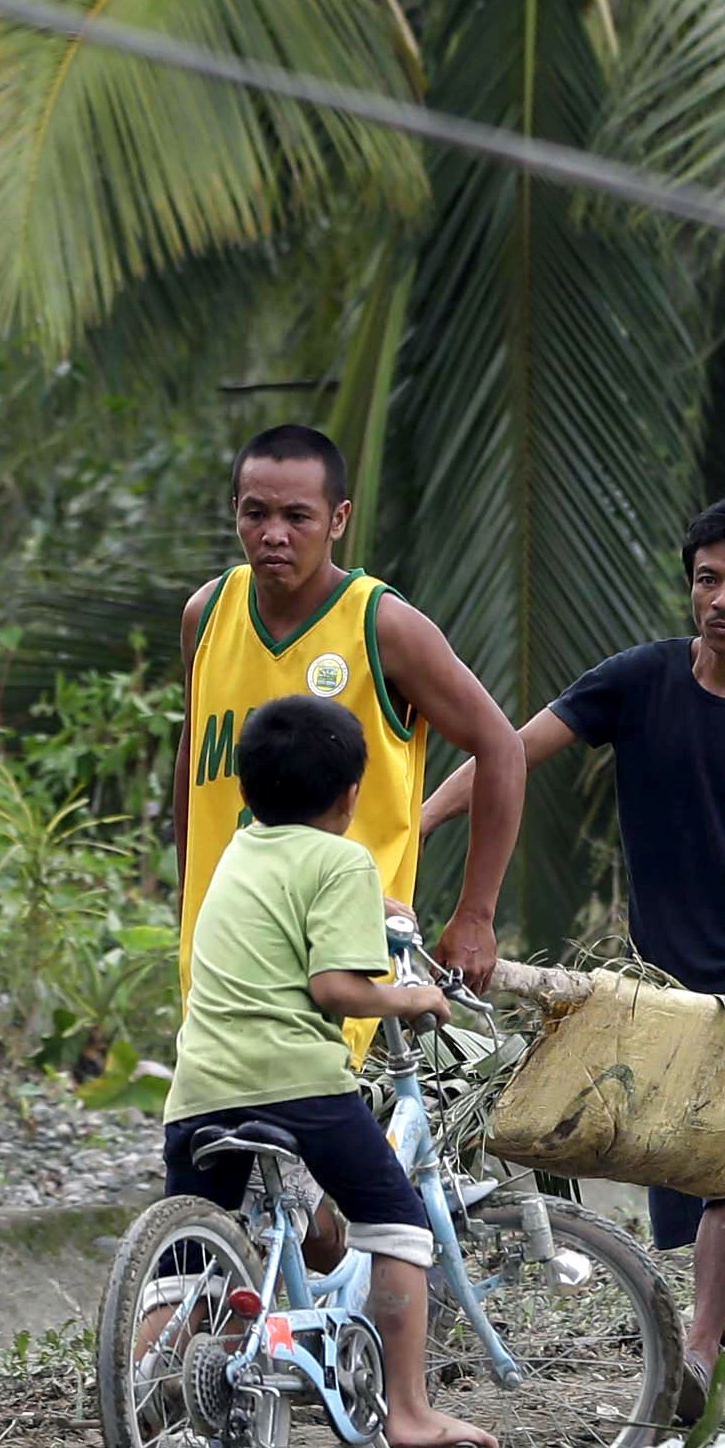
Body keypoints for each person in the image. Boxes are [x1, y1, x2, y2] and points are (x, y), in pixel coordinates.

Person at [419, 495, 725, 1400]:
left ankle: (694, 1354)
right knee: (714, 1183)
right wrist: (416, 826)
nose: (723, 599)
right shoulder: (637, 681)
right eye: (708, 578)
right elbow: (510, 752)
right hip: (662, 979)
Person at [157, 695, 498, 1448]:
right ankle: (407, 1412)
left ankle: (144, 1406)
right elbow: (335, 989)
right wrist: (410, 997)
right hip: (297, 1083)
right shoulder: (344, 859)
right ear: (351, 795)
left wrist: (365, 906)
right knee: (398, 1221)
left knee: (187, 1264)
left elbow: (285, 902)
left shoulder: (240, 849)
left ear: (247, 791)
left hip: (202, 1087)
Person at [166, 424, 526, 1010]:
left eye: (297, 517)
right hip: (225, 955)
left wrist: (476, 915)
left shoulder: (383, 627)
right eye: (255, 513)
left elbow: (501, 747)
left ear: (338, 520)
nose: (273, 535)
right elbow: (193, 755)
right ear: (234, 511)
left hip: (342, 967)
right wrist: (190, 897)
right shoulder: (205, 615)